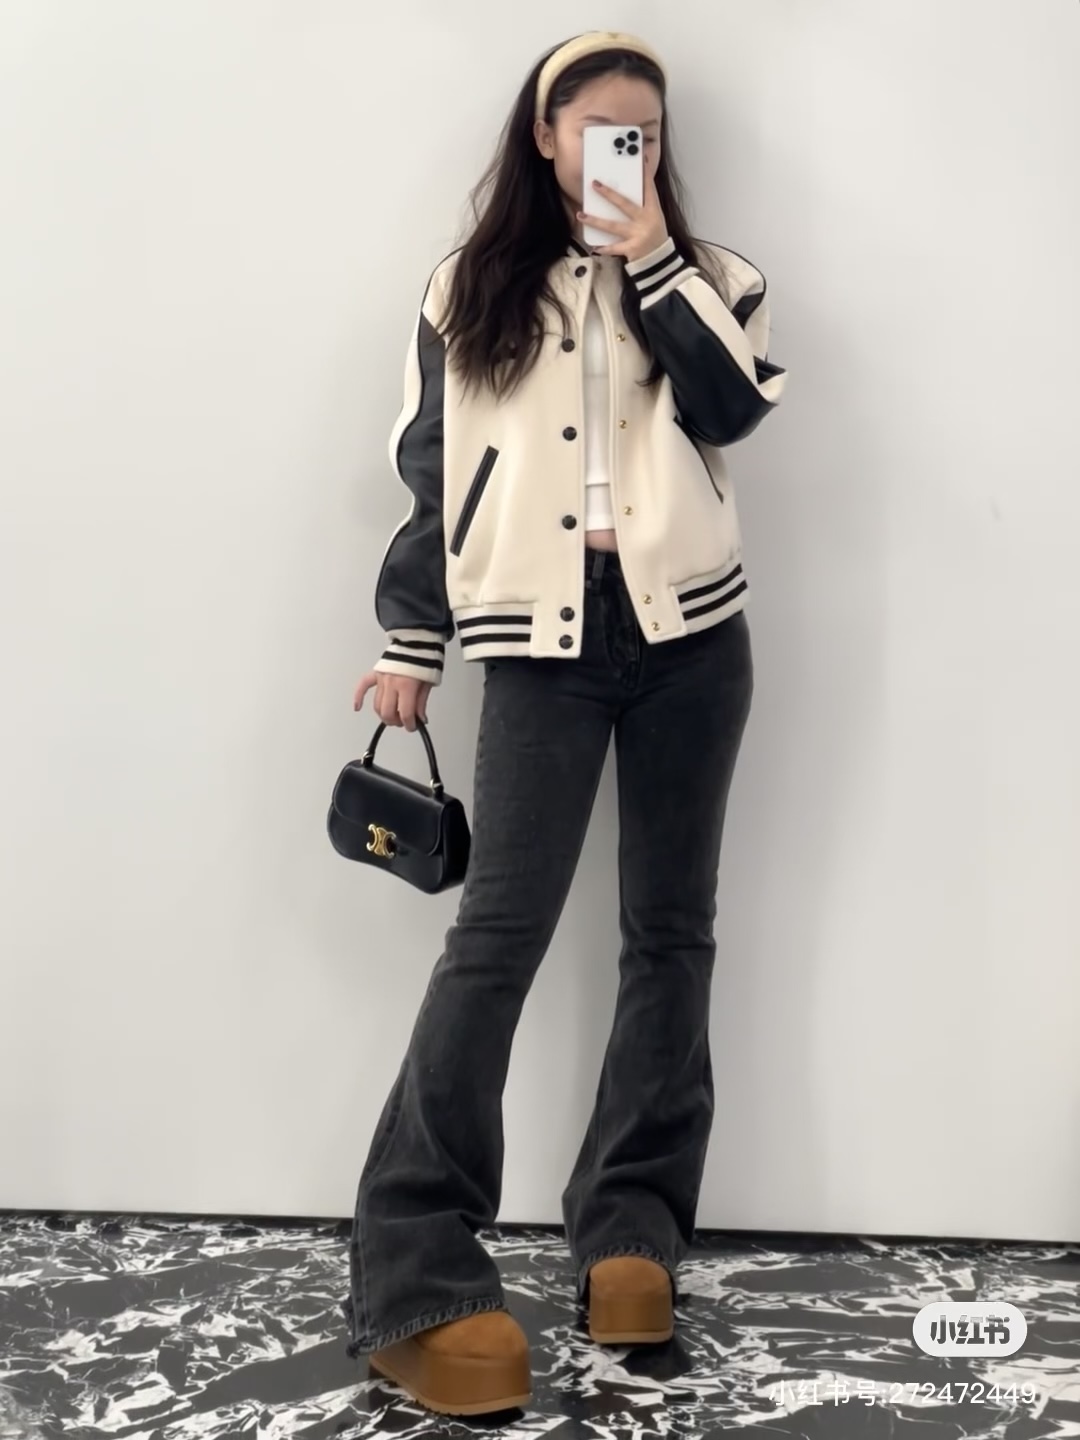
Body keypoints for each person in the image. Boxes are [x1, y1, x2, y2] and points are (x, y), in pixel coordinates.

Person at [343, 29, 787, 1417]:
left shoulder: (715, 279)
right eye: (598, 129)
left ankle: (633, 1234)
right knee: (496, 942)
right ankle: (415, 1272)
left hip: (693, 639)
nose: (621, 152)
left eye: (642, 133)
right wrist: (409, 641)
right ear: (545, 136)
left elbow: (731, 409)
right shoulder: (467, 287)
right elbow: (433, 474)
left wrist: (652, 260)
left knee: (672, 933)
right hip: (538, 644)